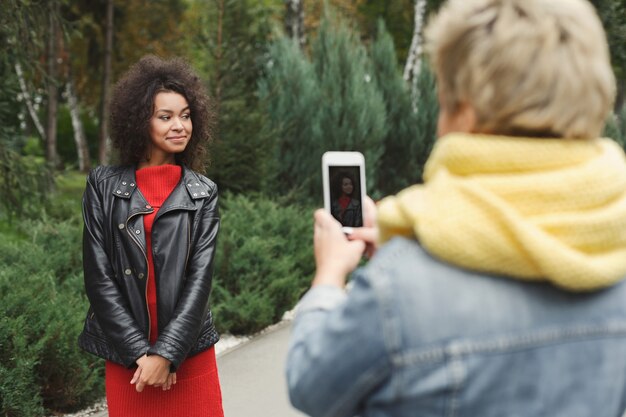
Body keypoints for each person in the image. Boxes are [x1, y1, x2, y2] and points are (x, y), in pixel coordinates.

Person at [286, 0, 626, 416]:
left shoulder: (398, 289)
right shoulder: (616, 254)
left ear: (464, 110)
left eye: (442, 98)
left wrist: (329, 275)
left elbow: (310, 386)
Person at [78, 55, 224, 417]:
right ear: (139, 121)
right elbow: (99, 278)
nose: (180, 126)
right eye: (166, 116)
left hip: (189, 354)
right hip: (131, 361)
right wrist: (141, 354)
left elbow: (199, 281)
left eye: (186, 115)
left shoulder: (203, 191)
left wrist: (167, 353)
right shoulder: (103, 185)